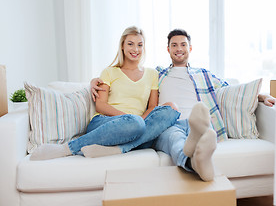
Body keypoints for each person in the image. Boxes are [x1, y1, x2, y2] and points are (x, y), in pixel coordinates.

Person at [89, 29, 276, 181]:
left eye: (183, 44)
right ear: (168, 49)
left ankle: (198, 143)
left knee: (199, 129)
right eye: (174, 45)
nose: (179, 48)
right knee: (175, 140)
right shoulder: (158, 74)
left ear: (190, 48)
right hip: (170, 125)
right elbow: (128, 78)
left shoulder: (203, 74)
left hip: (197, 122)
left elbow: (230, 90)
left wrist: (261, 96)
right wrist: (94, 81)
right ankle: (192, 161)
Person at [30, 26, 180, 161]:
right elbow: (101, 105)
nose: (135, 49)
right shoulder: (109, 72)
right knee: (136, 125)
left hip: (137, 126)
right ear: (122, 46)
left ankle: (118, 148)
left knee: (172, 108)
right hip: (106, 122)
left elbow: (152, 107)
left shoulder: (152, 74)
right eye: (130, 44)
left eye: (140, 45)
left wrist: (138, 121)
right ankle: (67, 148)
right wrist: (129, 119)